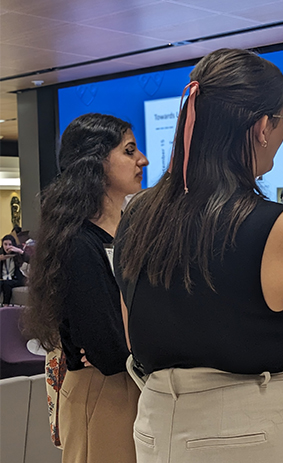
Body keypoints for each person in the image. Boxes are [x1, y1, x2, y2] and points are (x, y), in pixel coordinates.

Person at [114, 48, 283, 463]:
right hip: (253, 432)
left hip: (155, 427)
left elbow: (135, 336)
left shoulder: (135, 214)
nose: (282, 134)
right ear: (263, 126)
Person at [22, 113, 148, 463]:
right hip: (104, 395)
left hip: (139, 386)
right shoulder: (76, 242)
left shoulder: (131, 232)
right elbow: (106, 351)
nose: (143, 160)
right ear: (96, 162)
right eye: (129, 151)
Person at [0, 234, 26, 305]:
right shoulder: (1, 254)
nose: (7, 247)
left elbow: (30, 260)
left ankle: (6, 306)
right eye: (5, 244)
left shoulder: (17, 254)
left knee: (7, 284)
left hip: (17, 279)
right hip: (4, 279)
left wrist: (19, 251)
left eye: (10, 244)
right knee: (3, 283)